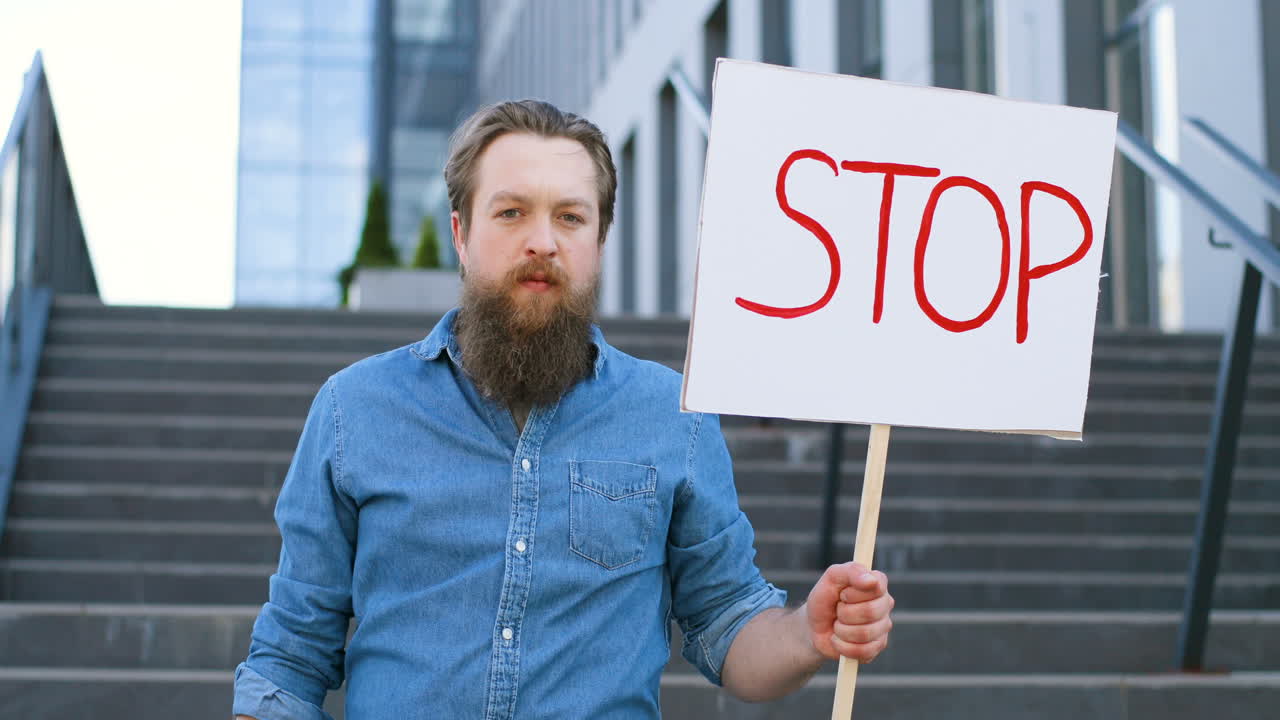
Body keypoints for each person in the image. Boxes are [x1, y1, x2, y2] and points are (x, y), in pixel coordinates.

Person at [233, 99, 893, 720]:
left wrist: (810, 632)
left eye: (570, 217)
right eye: (512, 212)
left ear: (599, 241)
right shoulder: (355, 409)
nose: (542, 241)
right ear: (461, 234)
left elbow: (728, 625)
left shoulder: (673, 414)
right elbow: (289, 659)